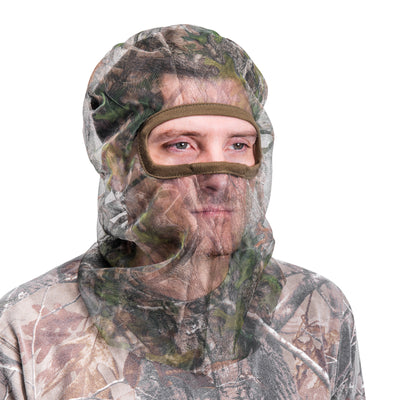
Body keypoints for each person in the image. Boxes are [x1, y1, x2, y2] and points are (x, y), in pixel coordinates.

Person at [0, 24, 365, 399]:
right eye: (182, 145)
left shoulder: (318, 312)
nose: (219, 178)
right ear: (120, 163)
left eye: (238, 145)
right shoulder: (30, 331)